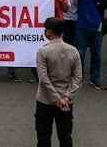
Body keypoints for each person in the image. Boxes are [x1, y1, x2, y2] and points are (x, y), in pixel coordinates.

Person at [35, 17, 82, 147]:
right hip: (66, 102)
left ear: (49, 32)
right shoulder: (73, 51)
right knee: (65, 136)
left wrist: (56, 99)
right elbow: (77, 78)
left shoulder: (43, 51)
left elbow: (44, 79)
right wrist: (66, 97)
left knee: (43, 136)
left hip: (45, 101)